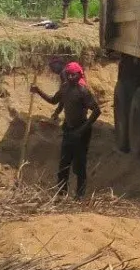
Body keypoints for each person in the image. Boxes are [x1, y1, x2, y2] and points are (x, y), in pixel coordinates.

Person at [30, 62, 101, 200]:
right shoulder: (64, 88)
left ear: (79, 75)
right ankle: (61, 194)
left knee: (79, 166)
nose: (69, 77)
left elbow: (97, 111)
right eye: (68, 74)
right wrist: (38, 91)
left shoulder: (83, 91)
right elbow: (53, 100)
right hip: (68, 131)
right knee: (64, 165)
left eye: (72, 75)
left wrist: (82, 130)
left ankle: (79, 196)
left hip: (81, 132)